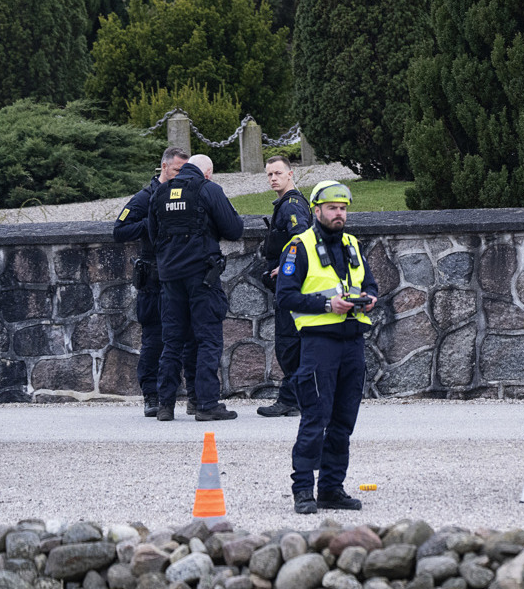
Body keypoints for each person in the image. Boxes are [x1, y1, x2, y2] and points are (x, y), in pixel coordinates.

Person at [277, 180, 377, 514]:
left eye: (343, 209)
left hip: (352, 342)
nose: (339, 214)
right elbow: (285, 296)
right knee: (314, 419)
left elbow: (370, 283)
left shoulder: (352, 243)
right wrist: (325, 306)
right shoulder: (299, 246)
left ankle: (331, 489)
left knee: (343, 422)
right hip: (319, 344)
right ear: (316, 211)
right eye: (333, 208)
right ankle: (303, 491)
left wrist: (370, 298)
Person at [149, 148, 244, 422]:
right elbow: (234, 229)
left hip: (170, 279)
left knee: (172, 341)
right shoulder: (208, 189)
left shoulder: (160, 193)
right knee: (207, 339)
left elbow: (153, 234)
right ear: (208, 172)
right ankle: (206, 404)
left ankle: (165, 405)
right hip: (202, 278)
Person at [112, 159, 197, 417]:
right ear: (164, 166)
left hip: (178, 275)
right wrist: (151, 223)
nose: (180, 175)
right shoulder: (146, 197)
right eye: (176, 170)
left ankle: (184, 393)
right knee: (154, 338)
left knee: (186, 336)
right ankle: (151, 394)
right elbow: (120, 230)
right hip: (153, 278)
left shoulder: (185, 196)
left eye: (184, 171)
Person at [257, 156, 310, 417]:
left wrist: (287, 267)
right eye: (269, 174)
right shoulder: (286, 204)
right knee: (290, 344)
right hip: (289, 284)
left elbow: (301, 238)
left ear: (290, 174)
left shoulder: (291, 206)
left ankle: (290, 399)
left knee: (289, 344)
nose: (273, 178)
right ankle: (295, 398)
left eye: (278, 173)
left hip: (292, 286)